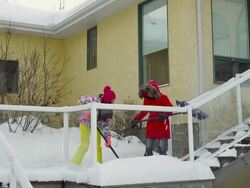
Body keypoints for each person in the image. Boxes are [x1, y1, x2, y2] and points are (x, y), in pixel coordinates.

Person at [70, 85, 116, 165]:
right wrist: (86, 108)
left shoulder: (108, 108)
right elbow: (81, 99)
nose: (113, 102)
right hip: (85, 123)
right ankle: (74, 164)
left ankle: (99, 166)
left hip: (96, 126)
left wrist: (108, 137)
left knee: (97, 147)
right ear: (108, 100)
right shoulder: (94, 100)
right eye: (112, 100)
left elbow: (105, 124)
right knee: (84, 145)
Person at [131, 80, 173, 156]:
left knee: (162, 149)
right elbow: (144, 112)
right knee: (149, 148)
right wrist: (136, 120)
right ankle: (148, 164)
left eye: (150, 93)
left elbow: (171, 109)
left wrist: (165, 114)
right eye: (147, 93)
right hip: (152, 125)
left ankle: (164, 165)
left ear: (154, 92)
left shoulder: (163, 98)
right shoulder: (147, 99)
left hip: (162, 125)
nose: (148, 95)